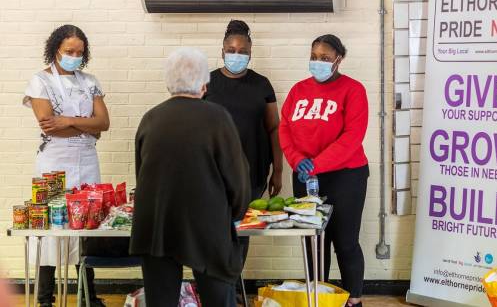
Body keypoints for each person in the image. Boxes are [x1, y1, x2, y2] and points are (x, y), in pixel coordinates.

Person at [130, 48, 251, 307]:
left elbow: (141, 173)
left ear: (168, 81)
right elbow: (238, 179)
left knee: (160, 301)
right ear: (204, 83)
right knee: (218, 299)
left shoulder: (150, 118)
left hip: (157, 224)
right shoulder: (218, 118)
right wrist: (236, 213)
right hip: (207, 224)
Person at [279, 34, 369, 307]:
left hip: (346, 176)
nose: (318, 62)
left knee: (345, 242)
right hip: (306, 176)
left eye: (325, 58)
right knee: (314, 243)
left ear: (338, 60)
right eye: (314, 57)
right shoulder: (298, 91)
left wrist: (316, 164)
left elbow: (352, 137)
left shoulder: (353, 90)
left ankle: (353, 300)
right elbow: (285, 127)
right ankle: (320, 299)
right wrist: (296, 160)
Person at [24, 25, 110, 307]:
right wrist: (86, 126)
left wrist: (67, 120)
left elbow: (104, 123)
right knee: (52, 226)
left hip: (86, 162)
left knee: (86, 225)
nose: (74, 56)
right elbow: (50, 128)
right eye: (68, 51)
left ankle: (90, 296)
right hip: (54, 163)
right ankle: (45, 298)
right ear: (55, 50)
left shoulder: (90, 81)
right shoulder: (40, 81)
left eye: (79, 52)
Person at [203, 19, 283, 296]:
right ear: (222, 50)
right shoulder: (207, 82)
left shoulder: (261, 84)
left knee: (241, 232)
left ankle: (232, 287)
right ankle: (216, 287)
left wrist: (279, 171)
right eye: (231, 49)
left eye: (242, 50)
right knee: (214, 231)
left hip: (252, 172)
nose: (237, 55)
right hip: (212, 173)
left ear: (250, 52)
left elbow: (274, 129)